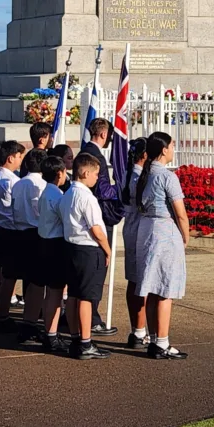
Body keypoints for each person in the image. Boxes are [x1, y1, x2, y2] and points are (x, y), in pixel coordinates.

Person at [135, 132, 190, 360]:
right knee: (165, 290)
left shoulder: (145, 174)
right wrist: (185, 237)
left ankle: (154, 337)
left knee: (151, 288)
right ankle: (162, 342)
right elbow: (181, 213)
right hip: (164, 231)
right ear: (164, 149)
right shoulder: (167, 176)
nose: (173, 149)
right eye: (172, 145)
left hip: (146, 229)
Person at [59, 152, 112, 360]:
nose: (97, 178)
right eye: (96, 174)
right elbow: (96, 229)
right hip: (88, 249)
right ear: (86, 172)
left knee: (73, 295)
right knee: (86, 297)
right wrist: (107, 249)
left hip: (71, 247)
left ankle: (75, 338)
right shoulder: (86, 197)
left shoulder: (68, 194)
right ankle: (86, 342)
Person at [82, 117, 124, 335]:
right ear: (103, 135)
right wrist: (122, 190)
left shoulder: (86, 151)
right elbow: (102, 190)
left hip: (87, 217)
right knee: (97, 273)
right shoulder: (94, 156)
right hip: (97, 217)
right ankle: (93, 319)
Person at [11, 148, 48, 344]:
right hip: (35, 235)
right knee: (36, 283)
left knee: (29, 280)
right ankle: (30, 323)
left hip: (20, 233)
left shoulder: (18, 184)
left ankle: (29, 319)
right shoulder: (41, 185)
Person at [0, 139, 26, 329]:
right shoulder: (12, 181)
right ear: (11, 158)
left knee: (3, 272)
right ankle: (2, 314)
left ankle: (0, 310)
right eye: (19, 156)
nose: (21, 160)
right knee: (9, 275)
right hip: (11, 230)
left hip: (0, 228)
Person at [37, 155, 68, 353]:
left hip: (44, 243)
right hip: (55, 245)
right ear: (59, 174)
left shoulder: (46, 192)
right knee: (55, 294)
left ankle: (50, 332)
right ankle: (51, 335)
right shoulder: (56, 196)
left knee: (51, 293)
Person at [122, 138, 149, 349]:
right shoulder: (140, 178)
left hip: (130, 229)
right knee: (142, 283)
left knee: (134, 280)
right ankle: (140, 331)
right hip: (141, 230)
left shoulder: (126, 173)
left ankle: (137, 330)